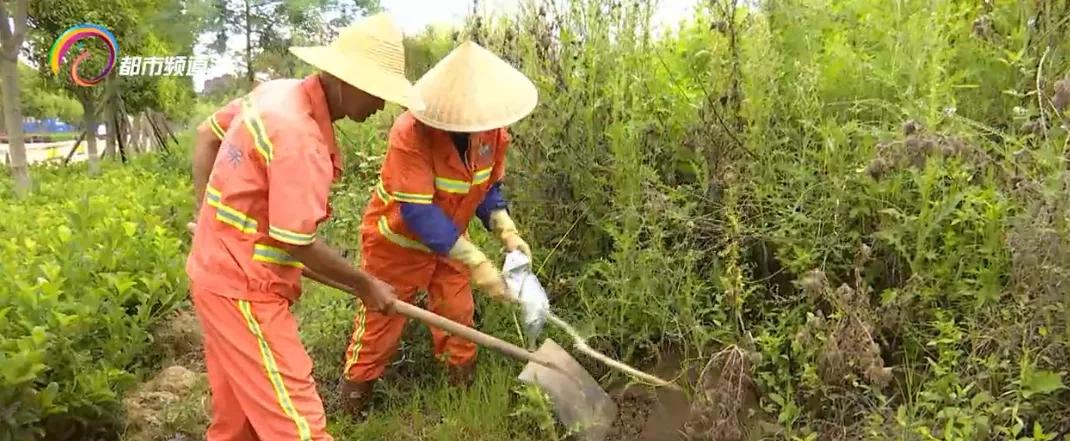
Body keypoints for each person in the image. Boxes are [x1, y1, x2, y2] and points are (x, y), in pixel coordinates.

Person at [185, 13, 422, 441]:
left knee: (237, 426)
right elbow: (299, 242)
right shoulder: (301, 138)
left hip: (217, 274)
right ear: (349, 82)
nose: (382, 106)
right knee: (299, 428)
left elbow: (207, 134)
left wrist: (206, 218)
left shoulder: (277, 93)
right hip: (244, 290)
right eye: (379, 94)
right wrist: (365, 284)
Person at [339, 41, 538, 417]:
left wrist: (506, 229)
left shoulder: (493, 133)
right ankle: (352, 411)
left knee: (458, 319)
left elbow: (485, 187)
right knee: (379, 330)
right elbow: (418, 211)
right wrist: (478, 262)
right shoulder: (411, 133)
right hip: (396, 249)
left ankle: (462, 401)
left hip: (451, 244)